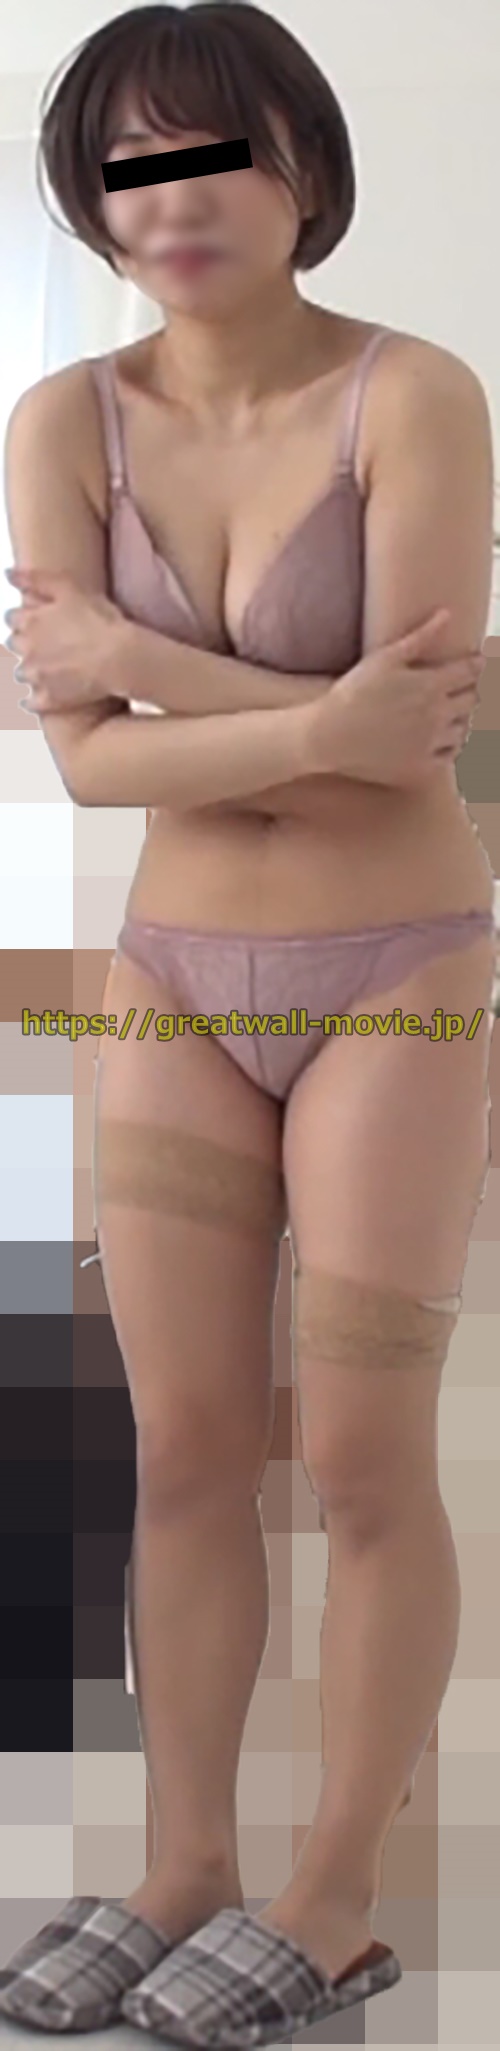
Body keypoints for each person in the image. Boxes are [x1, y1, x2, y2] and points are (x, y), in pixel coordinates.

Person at [2, 2, 496, 2036]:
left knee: (363, 1455)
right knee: (187, 1447)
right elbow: (82, 768)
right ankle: (184, 1867)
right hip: (172, 988)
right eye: (128, 166)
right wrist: (305, 722)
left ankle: (336, 1894)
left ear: (302, 167)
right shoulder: (64, 419)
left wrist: (141, 668)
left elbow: (412, 746)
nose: (172, 201)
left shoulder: (415, 394)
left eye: (213, 154)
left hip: (398, 979)